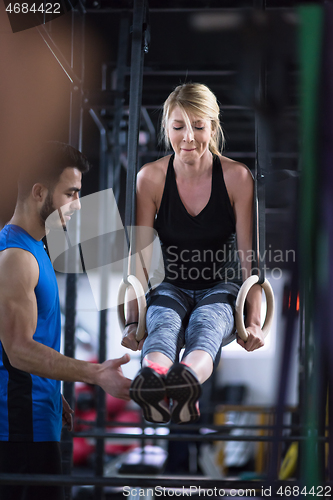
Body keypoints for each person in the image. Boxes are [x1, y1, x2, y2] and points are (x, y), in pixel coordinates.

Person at [121, 83, 264, 425]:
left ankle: (184, 380)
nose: (188, 138)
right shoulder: (151, 178)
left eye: (199, 127)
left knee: (208, 324)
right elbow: (138, 259)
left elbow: (250, 262)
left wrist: (255, 321)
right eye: (178, 126)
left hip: (221, 287)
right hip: (171, 286)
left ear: (213, 128)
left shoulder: (237, 178)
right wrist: (130, 319)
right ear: (167, 127)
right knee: (162, 324)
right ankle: (153, 381)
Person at [0, 142, 131, 500]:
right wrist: (96, 374)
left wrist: (54, 392)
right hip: (18, 432)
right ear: (39, 192)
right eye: (71, 193)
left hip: (38, 419)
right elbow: (18, 351)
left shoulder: (36, 248)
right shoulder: (16, 257)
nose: (77, 205)